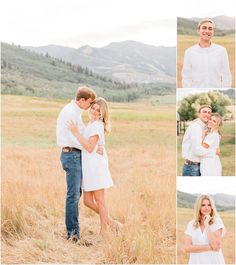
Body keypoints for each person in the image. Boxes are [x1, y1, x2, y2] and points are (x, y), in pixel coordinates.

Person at [67, 97, 121, 235]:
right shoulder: (91, 124)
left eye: (98, 110)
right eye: (93, 108)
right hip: (89, 168)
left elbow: (90, 147)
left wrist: (76, 132)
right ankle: (112, 223)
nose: (95, 112)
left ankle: (104, 232)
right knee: (87, 201)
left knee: (100, 201)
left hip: (96, 168)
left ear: (102, 114)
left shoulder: (97, 125)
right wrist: (96, 146)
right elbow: (91, 145)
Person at [56, 86, 96, 242]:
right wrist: (89, 146)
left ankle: (73, 231)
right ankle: (73, 234)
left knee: (75, 194)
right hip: (72, 154)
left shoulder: (75, 112)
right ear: (82, 100)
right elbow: (78, 140)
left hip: (73, 154)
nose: (90, 107)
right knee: (73, 195)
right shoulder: (70, 113)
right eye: (90, 103)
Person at [182, 18, 232, 88]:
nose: (207, 31)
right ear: (198, 31)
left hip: (216, 93)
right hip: (196, 93)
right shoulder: (189, 52)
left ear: (213, 32)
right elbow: (186, 76)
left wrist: (223, 92)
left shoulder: (221, 51)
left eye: (210, 28)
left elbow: (226, 75)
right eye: (204, 28)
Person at [184, 194, 225, 264]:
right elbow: (187, 248)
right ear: (199, 207)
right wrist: (210, 247)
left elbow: (215, 245)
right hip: (196, 262)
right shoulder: (191, 224)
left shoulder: (217, 221)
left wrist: (207, 224)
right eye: (203, 205)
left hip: (214, 261)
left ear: (212, 207)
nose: (206, 208)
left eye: (209, 205)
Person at [182, 105, 220, 176]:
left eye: (209, 113)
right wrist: (214, 151)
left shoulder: (205, 128)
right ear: (199, 114)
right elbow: (197, 151)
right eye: (204, 112)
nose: (207, 114)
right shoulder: (195, 127)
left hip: (200, 166)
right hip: (192, 167)